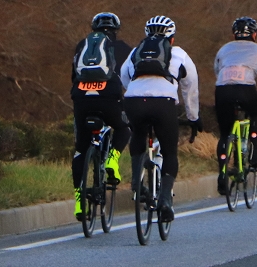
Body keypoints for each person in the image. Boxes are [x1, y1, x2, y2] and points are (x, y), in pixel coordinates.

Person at [121, 15, 201, 222]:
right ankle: (165, 199)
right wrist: (193, 117)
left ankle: (137, 184)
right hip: (164, 102)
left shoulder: (135, 52)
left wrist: (136, 94)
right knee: (169, 150)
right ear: (172, 39)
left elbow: (124, 75)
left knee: (138, 134)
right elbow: (190, 86)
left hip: (134, 99)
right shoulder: (179, 54)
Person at [70, 12, 133, 221]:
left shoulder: (83, 44)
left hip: (81, 95)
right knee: (124, 128)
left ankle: (79, 201)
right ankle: (112, 160)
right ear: (116, 30)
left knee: (80, 149)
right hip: (109, 95)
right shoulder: (123, 47)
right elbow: (129, 77)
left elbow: (73, 75)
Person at [214, 16, 257, 195]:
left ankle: (222, 173)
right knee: (256, 114)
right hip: (246, 89)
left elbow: (217, 71)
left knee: (225, 133)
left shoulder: (223, 49)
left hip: (223, 89)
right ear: (255, 34)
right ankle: (254, 152)